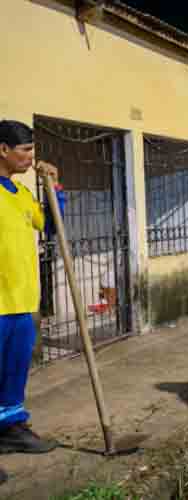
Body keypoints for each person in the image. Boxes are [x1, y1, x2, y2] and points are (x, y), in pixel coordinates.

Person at [0, 120, 64, 455]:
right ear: (3, 150)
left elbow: (51, 223)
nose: (30, 157)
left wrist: (53, 187)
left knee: (14, 374)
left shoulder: (21, 194)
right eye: (25, 150)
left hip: (22, 302)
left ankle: (10, 429)